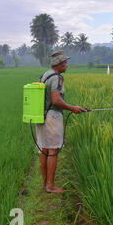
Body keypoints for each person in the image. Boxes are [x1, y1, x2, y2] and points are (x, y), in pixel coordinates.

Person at [35, 50, 86, 193]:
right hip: (52, 117)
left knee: (44, 149)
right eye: (65, 62)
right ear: (58, 64)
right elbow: (56, 100)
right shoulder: (57, 78)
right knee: (53, 150)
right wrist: (72, 108)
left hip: (41, 115)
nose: (66, 65)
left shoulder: (44, 75)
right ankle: (50, 186)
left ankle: (45, 184)